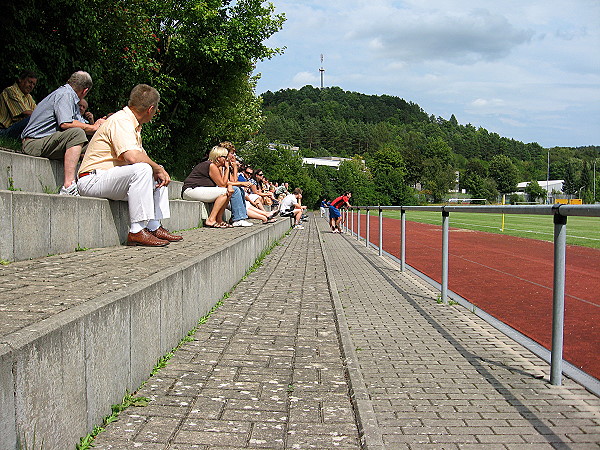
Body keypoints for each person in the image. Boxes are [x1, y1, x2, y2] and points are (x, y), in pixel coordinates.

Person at [76, 84, 182, 247]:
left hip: (108, 179)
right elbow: (132, 157)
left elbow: (142, 157)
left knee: (156, 172)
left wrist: (158, 169)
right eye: (156, 110)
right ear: (151, 109)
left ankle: (153, 226)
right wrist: (157, 168)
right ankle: (137, 230)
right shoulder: (121, 121)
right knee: (146, 168)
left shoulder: (132, 125)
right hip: (92, 179)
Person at [21, 71, 106, 195]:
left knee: (96, 143)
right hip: (33, 143)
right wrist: (93, 127)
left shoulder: (71, 99)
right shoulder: (65, 94)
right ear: (85, 90)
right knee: (76, 134)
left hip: (48, 141)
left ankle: (93, 183)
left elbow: (82, 124)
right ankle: (68, 186)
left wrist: (99, 126)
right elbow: (65, 124)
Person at [182, 145, 254, 228]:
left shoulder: (216, 166)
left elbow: (224, 183)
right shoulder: (211, 165)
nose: (227, 159)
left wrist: (229, 173)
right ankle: (211, 220)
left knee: (229, 191)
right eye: (225, 157)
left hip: (198, 190)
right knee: (226, 192)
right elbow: (222, 185)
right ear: (218, 157)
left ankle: (219, 220)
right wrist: (227, 169)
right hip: (190, 191)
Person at [0, 70, 38, 140]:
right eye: (30, 82)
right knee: (32, 119)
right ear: (20, 79)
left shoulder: (28, 97)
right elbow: (26, 113)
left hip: (16, 129)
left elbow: (37, 111)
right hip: (4, 130)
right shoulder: (11, 91)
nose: (31, 86)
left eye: (33, 84)